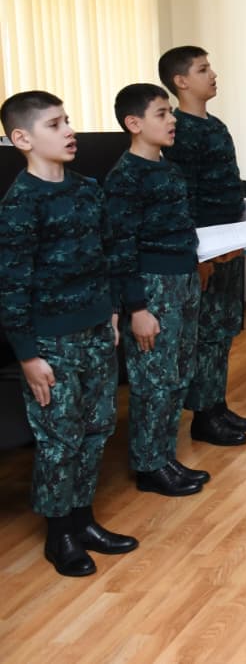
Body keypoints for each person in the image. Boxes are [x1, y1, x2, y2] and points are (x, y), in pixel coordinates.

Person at [0, 90, 137, 577]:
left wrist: (114, 312)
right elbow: (11, 286)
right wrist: (27, 355)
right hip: (50, 343)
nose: (70, 131)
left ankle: (84, 520)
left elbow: (108, 255)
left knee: (97, 428)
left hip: (97, 329)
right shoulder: (20, 204)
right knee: (60, 439)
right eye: (55, 125)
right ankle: (59, 534)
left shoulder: (87, 189)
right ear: (23, 139)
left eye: (68, 121)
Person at [104, 83, 208, 498]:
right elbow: (120, 248)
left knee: (178, 374)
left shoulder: (169, 168)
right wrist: (137, 308)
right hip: (152, 288)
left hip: (183, 280)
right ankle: (149, 466)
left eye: (171, 112)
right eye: (162, 113)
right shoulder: (125, 177)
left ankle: (164, 456)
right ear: (134, 123)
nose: (172, 120)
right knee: (154, 380)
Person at [159, 45, 246, 447]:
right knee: (205, 333)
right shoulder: (179, 131)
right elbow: (184, 198)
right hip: (206, 247)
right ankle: (204, 415)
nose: (213, 75)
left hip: (230, 241)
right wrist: (197, 256)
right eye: (203, 70)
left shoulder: (215, 125)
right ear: (181, 81)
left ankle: (217, 406)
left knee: (223, 329)